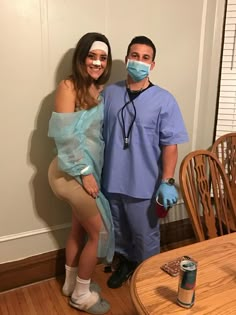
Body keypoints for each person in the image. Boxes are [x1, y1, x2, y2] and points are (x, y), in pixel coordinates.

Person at [102, 35, 189, 288]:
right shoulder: (110, 94)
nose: (139, 61)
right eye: (134, 55)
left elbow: (170, 145)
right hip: (112, 182)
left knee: (145, 235)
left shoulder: (164, 100)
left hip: (144, 184)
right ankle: (126, 264)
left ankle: (148, 278)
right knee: (118, 232)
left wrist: (167, 181)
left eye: (145, 58)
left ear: (152, 65)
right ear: (127, 58)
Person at [48, 32, 114, 314]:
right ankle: (81, 295)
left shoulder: (97, 90)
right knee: (101, 233)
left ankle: (70, 284)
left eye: (103, 57)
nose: (97, 62)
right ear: (82, 57)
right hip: (70, 172)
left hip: (85, 171)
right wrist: (85, 173)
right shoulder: (68, 86)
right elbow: (65, 139)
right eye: (92, 56)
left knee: (78, 227)